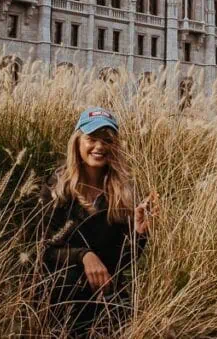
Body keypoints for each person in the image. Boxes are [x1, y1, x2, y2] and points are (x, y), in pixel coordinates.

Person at [37, 107, 156, 335]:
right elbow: (43, 248)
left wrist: (139, 234)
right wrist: (84, 256)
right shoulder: (56, 189)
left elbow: (121, 262)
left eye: (107, 140)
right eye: (91, 139)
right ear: (78, 142)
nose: (99, 147)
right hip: (60, 296)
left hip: (104, 297)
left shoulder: (123, 194)